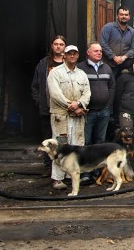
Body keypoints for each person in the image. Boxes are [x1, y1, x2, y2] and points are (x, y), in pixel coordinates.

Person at [46, 45, 91, 190]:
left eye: (75, 54)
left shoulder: (82, 74)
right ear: (64, 55)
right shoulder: (55, 73)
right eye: (69, 53)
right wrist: (70, 105)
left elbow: (87, 93)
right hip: (61, 115)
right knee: (59, 145)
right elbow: (55, 93)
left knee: (76, 144)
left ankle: (71, 175)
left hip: (78, 116)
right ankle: (57, 178)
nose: (72, 56)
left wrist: (79, 104)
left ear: (78, 56)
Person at [77, 42, 116, 147]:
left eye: (100, 51)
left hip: (104, 111)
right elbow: (76, 89)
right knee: (86, 141)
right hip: (87, 112)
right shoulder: (80, 68)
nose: (99, 53)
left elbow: (112, 86)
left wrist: (108, 105)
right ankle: (87, 163)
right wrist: (80, 106)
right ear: (88, 52)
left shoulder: (107, 68)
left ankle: (97, 163)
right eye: (96, 51)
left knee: (100, 141)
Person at [31, 35, 66, 145]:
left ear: (65, 47)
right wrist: (39, 101)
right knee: (47, 139)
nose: (58, 47)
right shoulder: (43, 64)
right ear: (52, 46)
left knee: (62, 139)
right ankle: (47, 162)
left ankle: (60, 161)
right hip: (47, 108)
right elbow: (35, 85)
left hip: (64, 109)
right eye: (56, 44)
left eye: (61, 44)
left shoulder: (69, 63)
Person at [99, 6, 134, 78]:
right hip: (108, 64)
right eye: (121, 14)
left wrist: (123, 58)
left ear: (129, 17)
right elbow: (103, 43)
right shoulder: (108, 28)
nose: (124, 17)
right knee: (109, 85)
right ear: (117, 16)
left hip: (125, 64)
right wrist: (114, 57)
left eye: (126, 15)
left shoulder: (133, 32)